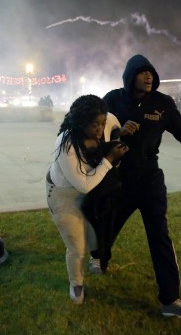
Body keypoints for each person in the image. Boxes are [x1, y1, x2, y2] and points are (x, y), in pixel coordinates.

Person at [100, 54, 181, 318]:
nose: (149, 76)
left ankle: (169, 299)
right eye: (143, 73)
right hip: (120, 179)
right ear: (131, 76)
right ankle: (99, 255)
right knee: (108, 223)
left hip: (150, 179)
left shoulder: (162, 103)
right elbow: (97, 135)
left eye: (151, 73)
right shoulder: (113, 100)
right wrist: (119, 134)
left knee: (160, 235)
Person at [45, 94, 129, 305]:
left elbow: (114, 127)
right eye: (94, 125)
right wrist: (109, 160)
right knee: (76, 245)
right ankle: (76, 283)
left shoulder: (105, 123)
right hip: (63, 195)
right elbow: (83, 184)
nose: (100, 129)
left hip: (90, 193)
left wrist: (121, 135)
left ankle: (96, 257)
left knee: (96, 236)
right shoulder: (66, 143)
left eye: (102, 123)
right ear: (81, 123)